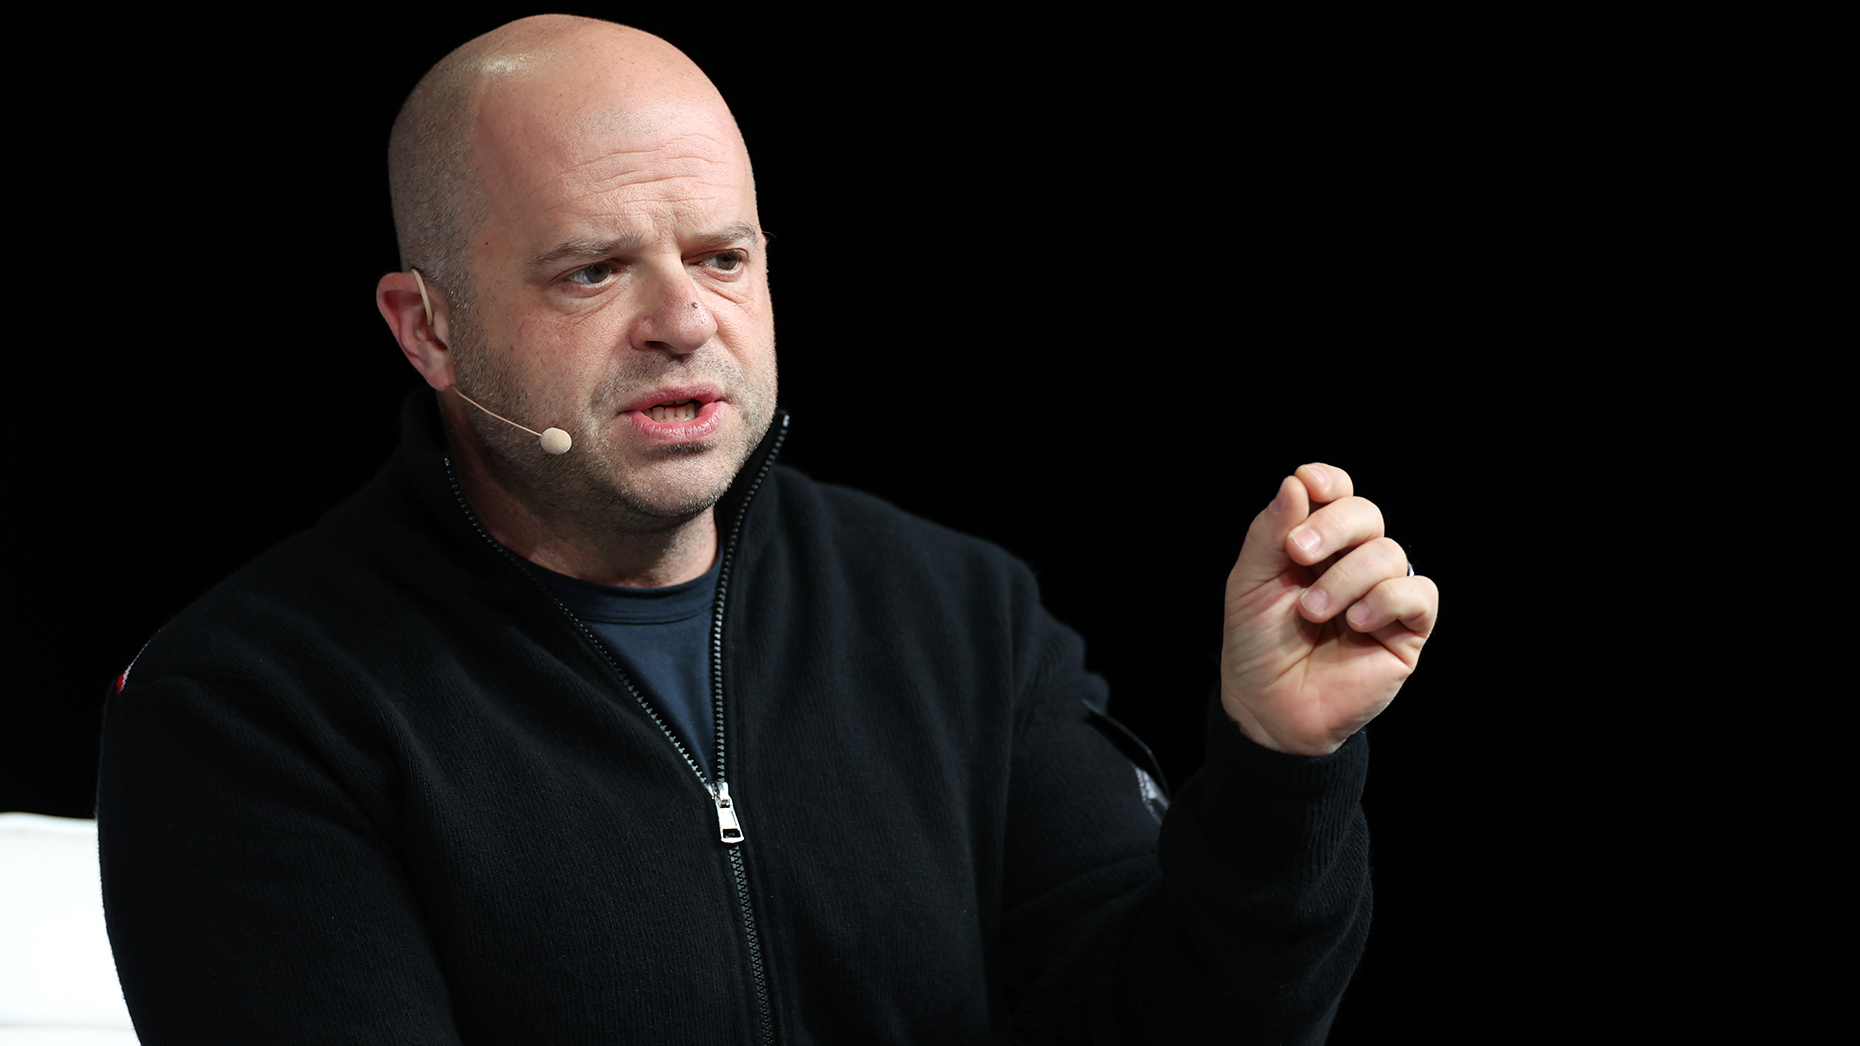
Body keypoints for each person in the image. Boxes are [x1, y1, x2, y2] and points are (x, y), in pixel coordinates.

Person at [97, 16, 1439, 1045]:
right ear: (428, 328)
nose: (685, 318)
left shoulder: (955, 615)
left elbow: (1184, 1022)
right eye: (594, 268)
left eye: (723, 257)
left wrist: (1279, 766)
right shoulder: (247, 707)